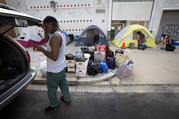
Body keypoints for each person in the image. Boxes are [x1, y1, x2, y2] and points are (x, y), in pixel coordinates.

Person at [33, 16, 71, 112]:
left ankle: (54, 104)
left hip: (54, 70)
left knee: (51, 90)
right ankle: (67, 98)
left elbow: (54, 57)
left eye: (46, 26)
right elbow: (47, 40)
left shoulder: (55, 37)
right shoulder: (60, 33)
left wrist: (41, 49)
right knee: (63, 84)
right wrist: (45, 30)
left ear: (51, 23)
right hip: (61, 67)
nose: (45, 27)